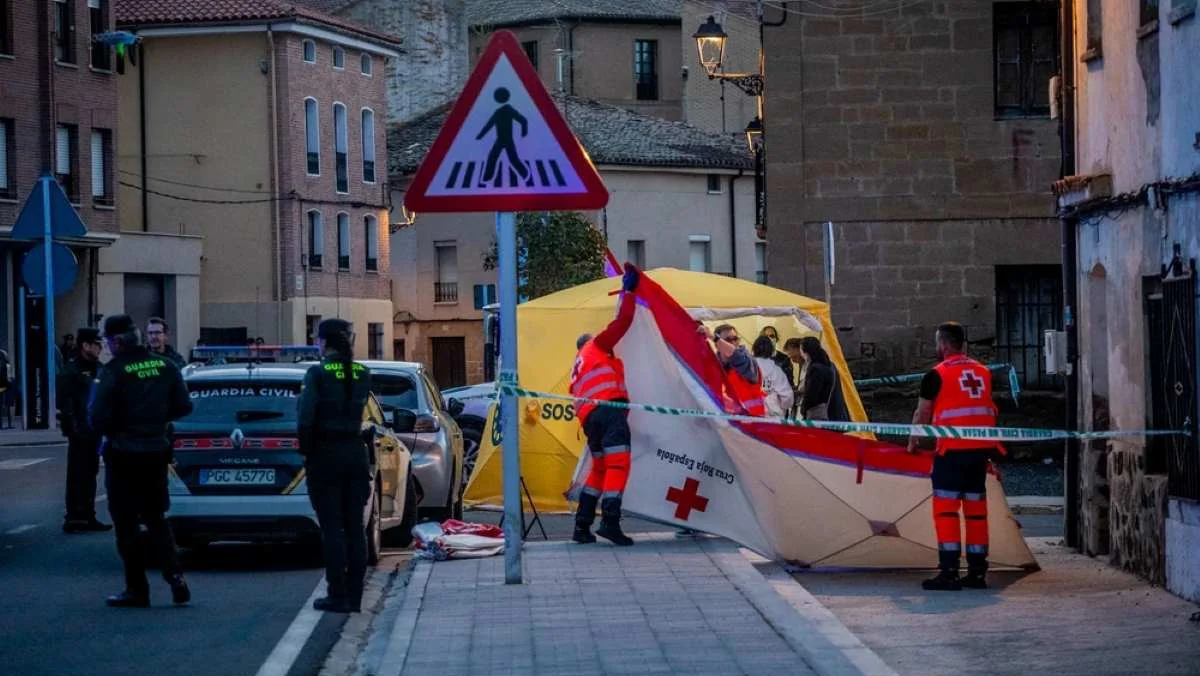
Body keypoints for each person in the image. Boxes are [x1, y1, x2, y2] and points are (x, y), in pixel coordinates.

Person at [90, 314, 193, 608]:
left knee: (126, 524)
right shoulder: (167, 366)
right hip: (156, 451)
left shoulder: (114, 371)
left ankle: (137, 588)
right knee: (156, 518)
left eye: (109, 341)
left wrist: (121, 426)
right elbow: (184, 406)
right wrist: (157, 419)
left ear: (118, 341)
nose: (108, 346)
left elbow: (97, 418)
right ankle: (176, 577)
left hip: (124, 454)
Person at [906, 322, 1002, 592]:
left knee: (946, 512)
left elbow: (922, 414)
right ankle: (977, 573)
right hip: (979, 454)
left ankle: (948, 573)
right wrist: (992, 457)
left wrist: (913, 441)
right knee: (976, 514)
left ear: (944, 345)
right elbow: (988, 411)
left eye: (938, 343)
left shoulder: (936, 375)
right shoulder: (983, 373)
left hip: (951, 453)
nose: (937, 348)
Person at [297, 319, 374, 612]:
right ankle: (355, 595)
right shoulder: (362, 372)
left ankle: (337, 593)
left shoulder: (316, 373)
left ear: (324, 342)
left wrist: (306, 452)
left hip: (325, 454)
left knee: (331, 527)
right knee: (355, 527)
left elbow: (305, 418)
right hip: (355, 453)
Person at [570, 267, 639, 546]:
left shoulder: (580, 363)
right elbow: (623, 321)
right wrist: (630, 292)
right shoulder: (597, 346)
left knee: (599, 469)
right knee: (618, 465)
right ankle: (610, 522)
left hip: (590, 419)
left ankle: (581, 526)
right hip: (609, 412)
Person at [58, 328, 111, 533]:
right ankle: (74, 516)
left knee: (90, 473)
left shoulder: (99, 367)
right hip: (79, 430)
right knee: (78, 473)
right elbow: (66, 401)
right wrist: (74, 426)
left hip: (94, 429)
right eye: (96, 344)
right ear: (85, 346)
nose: (99, 348)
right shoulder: (72, 370)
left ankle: (88, 515)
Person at [699, 324, 766, 416]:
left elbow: (735, 355)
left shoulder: (746, 359)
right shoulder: (715, 364)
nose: (733, 342)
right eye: (728, 340)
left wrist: (713, 337)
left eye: (735, 338)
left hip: (754, 421)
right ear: (717, 345)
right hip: (729, 422)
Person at [797, 337, 850, 421]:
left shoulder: (815, 369)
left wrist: (803, 408)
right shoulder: (829, 365)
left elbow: (812, 394)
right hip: (832, 410)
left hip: (819, 412)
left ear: (804, 351)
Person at [751, 336, 794, 418]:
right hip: (773, 416)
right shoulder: (777, 371)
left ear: (754, 349)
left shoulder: (746, 369)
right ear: (771, 351)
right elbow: (787, 397)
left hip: (750, 414)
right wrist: (780, 406)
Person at [759, 326, 795, 390]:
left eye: (772, 336)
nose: (769, 339)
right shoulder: (756, 359)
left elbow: (789, 383)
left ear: (776, 339)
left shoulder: (785, 359)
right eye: (766, 336)